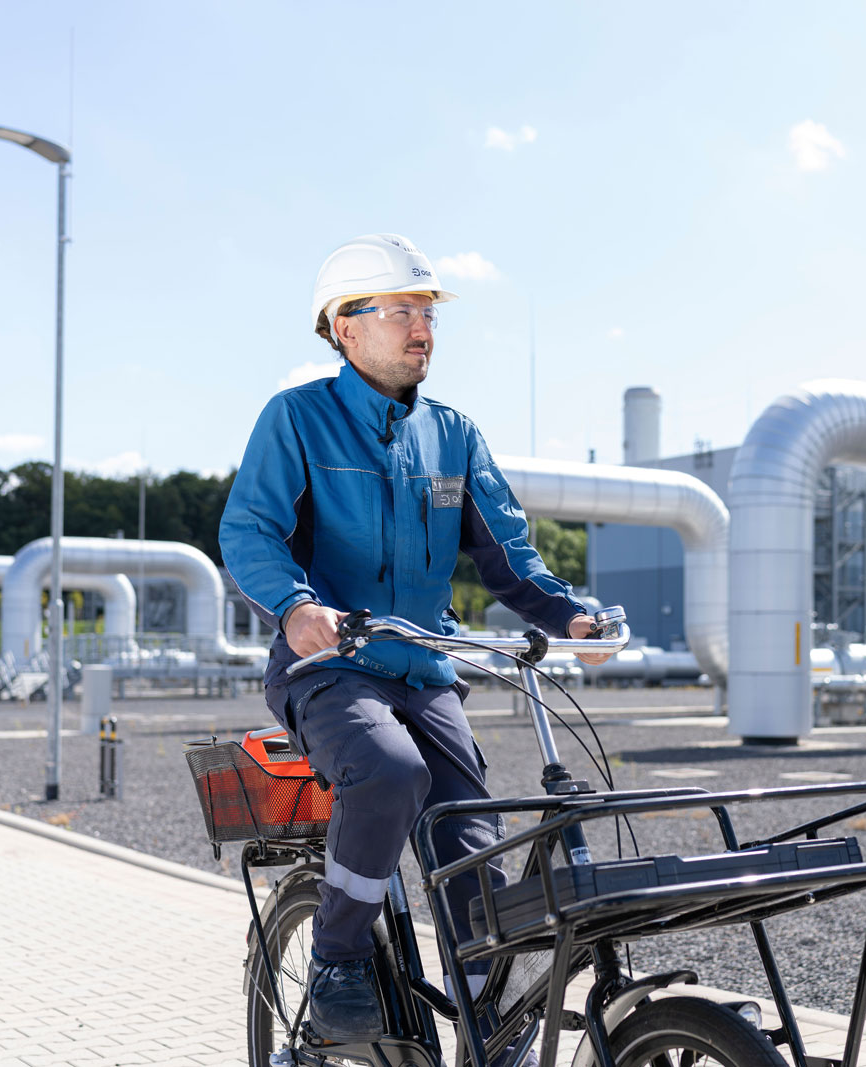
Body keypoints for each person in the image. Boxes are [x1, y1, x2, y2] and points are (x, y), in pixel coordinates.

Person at [220, 232, 609, 1046]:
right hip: (330, 669)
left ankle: (489, 1021)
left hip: (426, 669)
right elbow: (250, 529)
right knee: (390, 771)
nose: (422, 327)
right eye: (401, 311)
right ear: (345, 326)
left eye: (428, 312)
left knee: (473, 847)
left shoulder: (452, 434)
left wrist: (571, 616)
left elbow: (509, 554)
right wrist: (295, 607)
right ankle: (338, 958)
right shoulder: (298, 420)